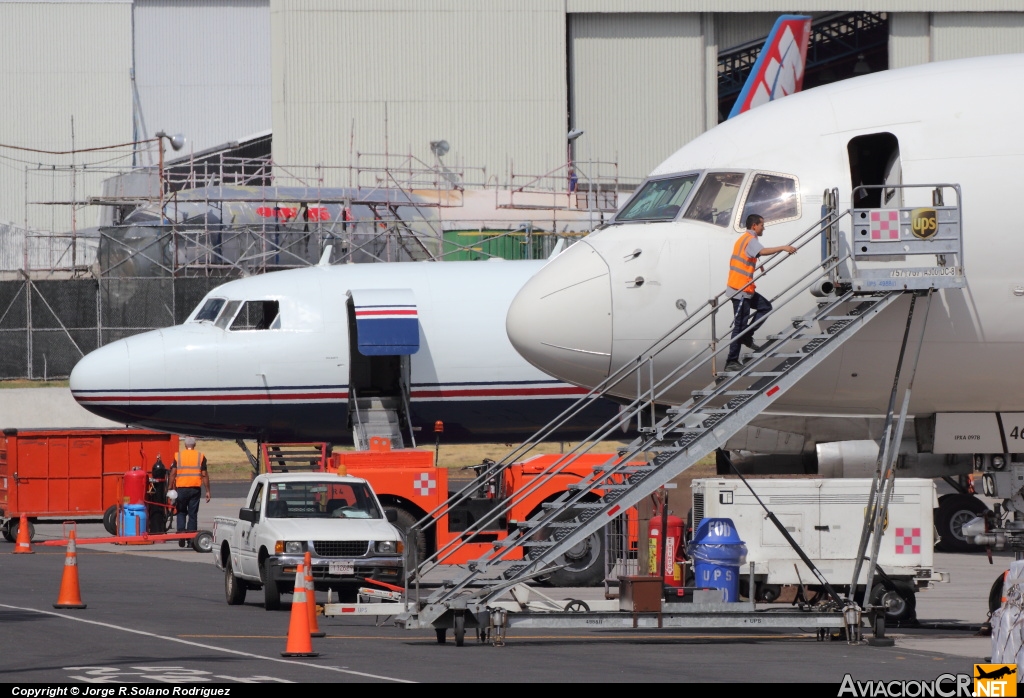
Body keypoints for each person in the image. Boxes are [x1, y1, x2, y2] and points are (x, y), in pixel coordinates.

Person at [724, 213, 797, 372]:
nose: (764, 227)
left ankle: (747, 336)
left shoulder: (744, 239)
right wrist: (784, 247)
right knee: (739, 326)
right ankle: (731, 361)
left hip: (744, 289)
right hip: (740, 290)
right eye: (762, 225)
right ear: (754, 226)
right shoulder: (750, 240)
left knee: (765, 307)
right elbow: (762, 252)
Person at [169, 436, 211, 546]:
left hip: (181, 488)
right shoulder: (200, 456)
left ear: (185, 445)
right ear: (195, 445)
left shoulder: (178, 456)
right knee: (193, 514)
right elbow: (204, 474)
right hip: (195, 489)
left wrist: (169, 488)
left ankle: (181, 534)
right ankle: (191, 538)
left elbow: (173, 473)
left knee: (181, 512)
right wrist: (207, 490)